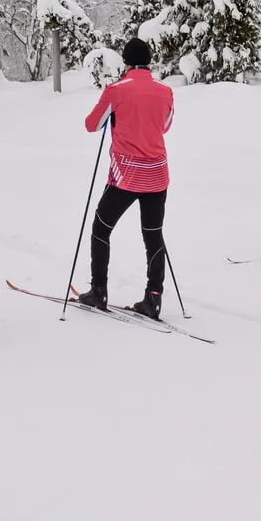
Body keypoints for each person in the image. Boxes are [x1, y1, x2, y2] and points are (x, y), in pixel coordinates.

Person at [73, 38, 175, 319]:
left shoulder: (116, 90)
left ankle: (98, 291)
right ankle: (154, 297)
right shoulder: (165, 91)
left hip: (126, 174)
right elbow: (165, 126)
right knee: (153, 234)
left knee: (101, 228)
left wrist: (117, 117)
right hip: (157, 173)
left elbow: (91, 125)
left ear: (127, 63)